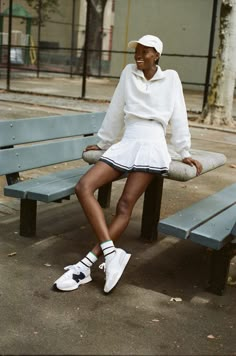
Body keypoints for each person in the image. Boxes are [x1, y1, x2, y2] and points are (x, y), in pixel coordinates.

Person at [54, 34, 203, 294]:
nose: (138, 55)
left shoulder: (171, 79)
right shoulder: (127, 74)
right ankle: (112, 255)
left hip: (153, 144)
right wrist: (103, 143)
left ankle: (85, 264)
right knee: (84, 187)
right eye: (137, 51)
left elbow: (179, 115)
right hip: (127, 141)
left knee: (124, 205)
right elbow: (116, 110)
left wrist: (184, 151)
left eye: (145, 52)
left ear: (156, 55)